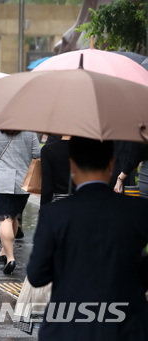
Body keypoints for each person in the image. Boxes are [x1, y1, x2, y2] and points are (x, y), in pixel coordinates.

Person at [27, 137, 148, 340]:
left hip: (67, 326)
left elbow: (37, 275)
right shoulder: (137, 211)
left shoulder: (54, 215)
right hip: (127, 327)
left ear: (72, 165)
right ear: (111, 164)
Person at [0, 129, 39, 274]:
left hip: (0, 182)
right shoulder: (29, 132)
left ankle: (10, 258)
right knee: (14, 217)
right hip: (23, 182)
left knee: (4, 219)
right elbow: (37, 154)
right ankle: (5, 251)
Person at [40, 136, 72, 205]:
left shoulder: (48, 150)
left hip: (59, 200)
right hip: (83, 201)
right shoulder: (86, 150)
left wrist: (43, 209)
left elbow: (46, 187)